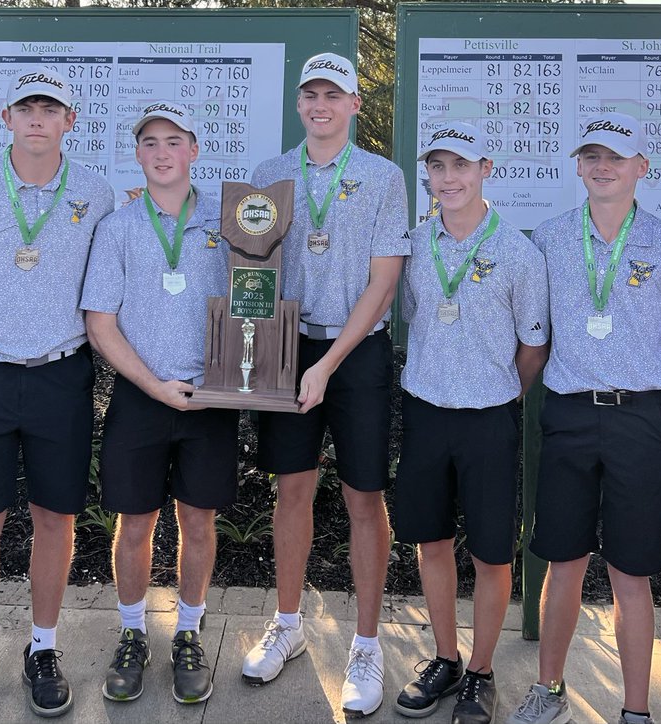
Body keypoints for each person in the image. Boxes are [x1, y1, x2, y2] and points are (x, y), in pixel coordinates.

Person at [506, 113, 661, 724]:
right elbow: (534, 332)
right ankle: (549, 690)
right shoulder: (550, 238)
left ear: (643, 167)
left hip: (637, 418)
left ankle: (636, 709)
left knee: (631, 571)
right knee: (563, 561)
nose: (603, 166)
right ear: (578, 166)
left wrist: (629, 374)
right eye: (591, 156)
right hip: (567, 415)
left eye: (617, 157)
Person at [0, 67, 114, 723]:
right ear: (6, 118)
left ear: (71, 121)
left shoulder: (95, 194)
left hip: (60, 374)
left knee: (54, 518)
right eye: (26, 107)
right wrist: (1, 329)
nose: (38, 117)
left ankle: (43, 648)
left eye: (51, 108)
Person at [240, 51, 410, 718]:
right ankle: (288, 622)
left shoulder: (382, 177)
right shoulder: (269, 175)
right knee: (292, 489)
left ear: (354, 104)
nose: (320, 104)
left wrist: (327, 363)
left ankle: (365, 644)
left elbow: (384, 281)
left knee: (365, 497)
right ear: (300, 102)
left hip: (355, 352)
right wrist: (250, 346)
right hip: (287, 345)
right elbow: (255, 271)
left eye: (332, 94)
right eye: (310, 93)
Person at [82, 101, 238, 706]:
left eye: (175, 141)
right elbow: (101, 321)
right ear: (139, 155)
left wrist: (229, 380)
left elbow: (256, 305)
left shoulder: (228, 227)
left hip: (210, 398)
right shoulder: (118, 228)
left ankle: (189, 633)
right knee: (135, 522)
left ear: (194, 151)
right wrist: (153, 386)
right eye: (150, 142)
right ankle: (131, 633)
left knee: (198, 520)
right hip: (141, 397)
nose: (163, 151)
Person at [393, 122, 549, 724]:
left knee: (490, 554)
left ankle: (481, 672)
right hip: (426, 412)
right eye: (438, 166)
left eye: (461, 165)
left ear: (486, 168)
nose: (449, 177)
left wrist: (497, 393)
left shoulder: (518, 252)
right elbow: (412, 319)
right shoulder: (414, 243)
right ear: (427, 174)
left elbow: (532, 346)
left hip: (489, 418)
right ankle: (446, 657)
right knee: (431, 542)